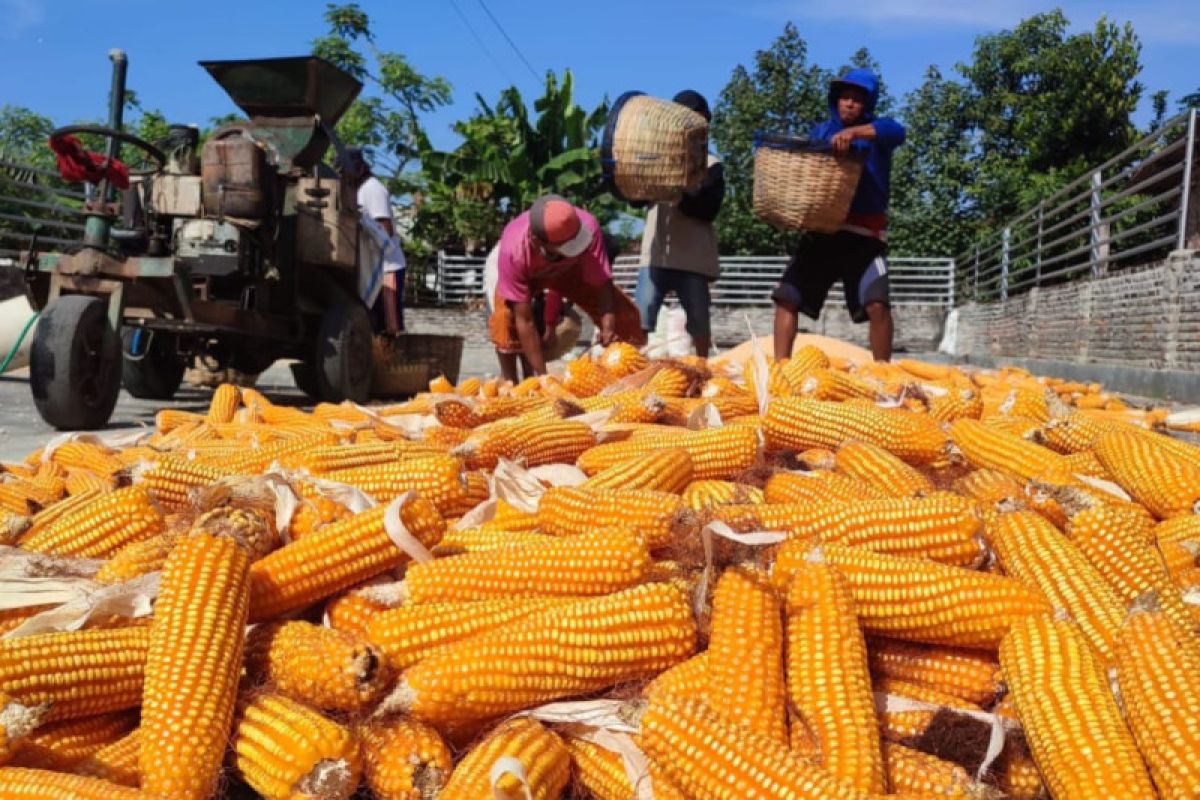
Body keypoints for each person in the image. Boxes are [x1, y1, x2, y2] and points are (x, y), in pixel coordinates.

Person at [771, 68, 905, 362]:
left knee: (877, 305)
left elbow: (897, 132)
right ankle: (780, 369)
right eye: (844, 97)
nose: (849, 104)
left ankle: (883, 372)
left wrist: (854, 133)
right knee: (787, 297)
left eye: (857, 99)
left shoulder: (879, 131)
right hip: (823, 234)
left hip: (864, 238)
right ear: (835, 100)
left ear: (867, 104)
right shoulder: (822, 132)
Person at [488, 194, 644, 382]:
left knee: (624, 316)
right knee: (505, 322)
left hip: (570, 270)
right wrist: (544, 380)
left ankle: (630, 378)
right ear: (538, 242)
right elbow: (525, 320)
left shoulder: (588, 228)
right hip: (528, 274)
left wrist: (609, 325)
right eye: (568, 245)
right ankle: (512, 383)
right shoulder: (514, 252)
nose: (577, 246)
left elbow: (602, 284)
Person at [635, 90, 725, 358]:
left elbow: (708, 209)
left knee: (698, 321)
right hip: (656, 255)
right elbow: (636, 199)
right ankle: (635, 366)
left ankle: (701, 369)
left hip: (692, 259)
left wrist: (679, 192)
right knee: (641, 317)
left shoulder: (712, 165)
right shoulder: (656, 160)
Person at [344, 147, 406, 334]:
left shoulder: (373, 189)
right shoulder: (360, 190)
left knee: (390, 327)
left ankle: (392, 361)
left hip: (388, 267)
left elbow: (385, 229)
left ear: (360, 168)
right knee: (376, 324)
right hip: (374, 267)